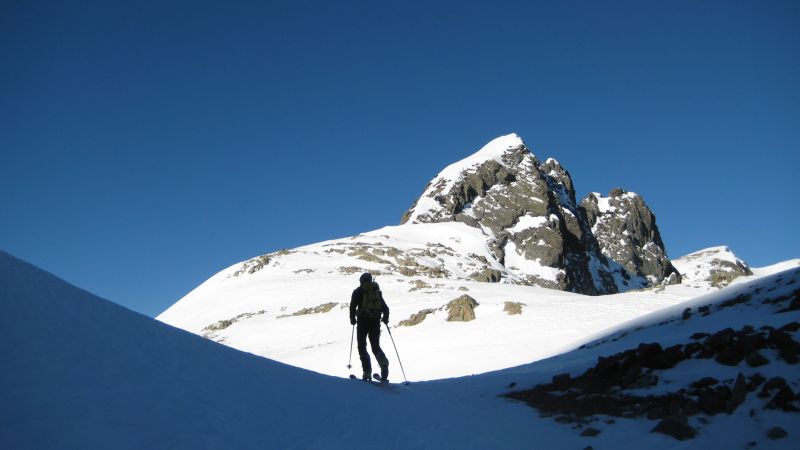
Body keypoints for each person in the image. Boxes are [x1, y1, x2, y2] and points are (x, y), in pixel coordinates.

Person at [349, 272, 390, 382]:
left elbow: (352, 307)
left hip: (362, 323)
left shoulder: (358, 291)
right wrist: (385, 319)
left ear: (361, 281)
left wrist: (352, 319)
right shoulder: (376, 292)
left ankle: (367, 372)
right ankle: (384, 363)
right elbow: (386, 309)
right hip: (375, 323)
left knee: (362, 347)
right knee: (375, 347)